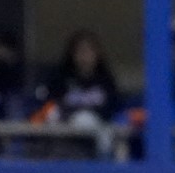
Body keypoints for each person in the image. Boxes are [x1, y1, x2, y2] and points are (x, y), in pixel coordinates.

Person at [36, 29, 120, 159]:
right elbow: (52, 105)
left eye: (89, 51)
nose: (84, 56)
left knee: (90, 122)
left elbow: (113, 106)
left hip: (98, 130)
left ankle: (104, 168)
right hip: (66, 130)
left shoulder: (105, 79)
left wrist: (91, 113)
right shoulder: (61, 78)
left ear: (97, 54)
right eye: (80, 51)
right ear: (72, 54)